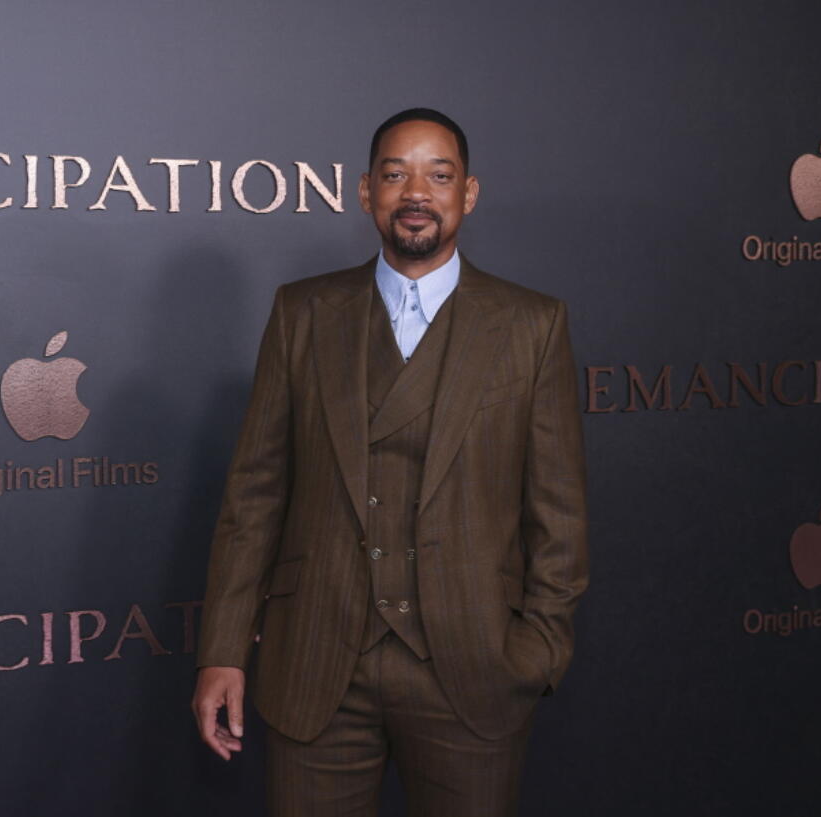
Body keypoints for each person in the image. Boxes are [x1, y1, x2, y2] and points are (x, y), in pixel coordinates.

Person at [192, 107, 588, 817]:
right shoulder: (303, 313)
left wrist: (538, 651)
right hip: (317, 663)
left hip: (473, 668)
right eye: (395, 173)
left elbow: (557, 510)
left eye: (438, 175)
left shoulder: (531, 324)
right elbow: (255, 494)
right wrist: (222, 649)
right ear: (364, 190)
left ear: (468, 193)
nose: (416, 192)